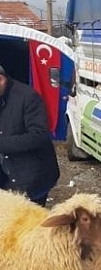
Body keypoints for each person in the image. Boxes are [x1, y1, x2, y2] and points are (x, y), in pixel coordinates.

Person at [0, 64, 59, 206]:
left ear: (2, 79)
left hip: (33, 177)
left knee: (29, 224)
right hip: (5, 176)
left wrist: (2, 144)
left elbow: (39, 136)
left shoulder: (28, 97)